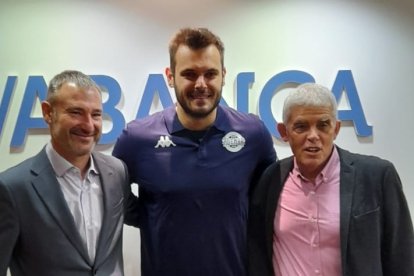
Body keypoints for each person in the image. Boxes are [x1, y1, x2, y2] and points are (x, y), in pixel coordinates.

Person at [112, 27, 277, 276]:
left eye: (210, 74)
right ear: (170, 76)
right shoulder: (136, 139)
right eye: (189, 74)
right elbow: (114, 196)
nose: (201, 84)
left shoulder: (253, 134)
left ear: (223, 75)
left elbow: (266, 200)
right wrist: (153, 216)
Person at [247, 82, 414, 276]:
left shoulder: (377, 177)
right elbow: (257, 253)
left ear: (335, 129)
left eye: (323, 125)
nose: (313, 136)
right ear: (284, 132)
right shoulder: (270, 180)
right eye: (301, 127)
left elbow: (402, 257)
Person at [0, 70, 129, 276]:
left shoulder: (117, 172)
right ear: (48, 112)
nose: (88, 125)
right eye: (76, 112)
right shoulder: (11, 188)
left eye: (96, 114)